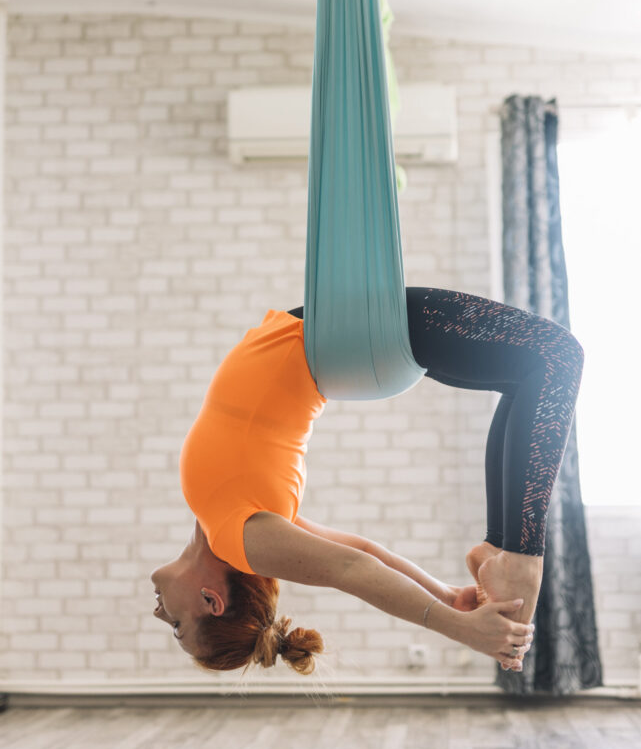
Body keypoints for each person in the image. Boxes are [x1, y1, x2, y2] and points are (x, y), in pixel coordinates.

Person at [150, 287, 583, 678]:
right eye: (176, 626)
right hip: (348, 336)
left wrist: (448, 597)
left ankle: (502, 547)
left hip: (335, 333)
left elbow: (361, 552)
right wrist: (459, 625)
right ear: (212, 602)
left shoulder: (223, 520)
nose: (159, 614)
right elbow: (353, 568)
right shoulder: (242, 541)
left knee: (536, 371)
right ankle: (520, 555)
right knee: (555, 359)